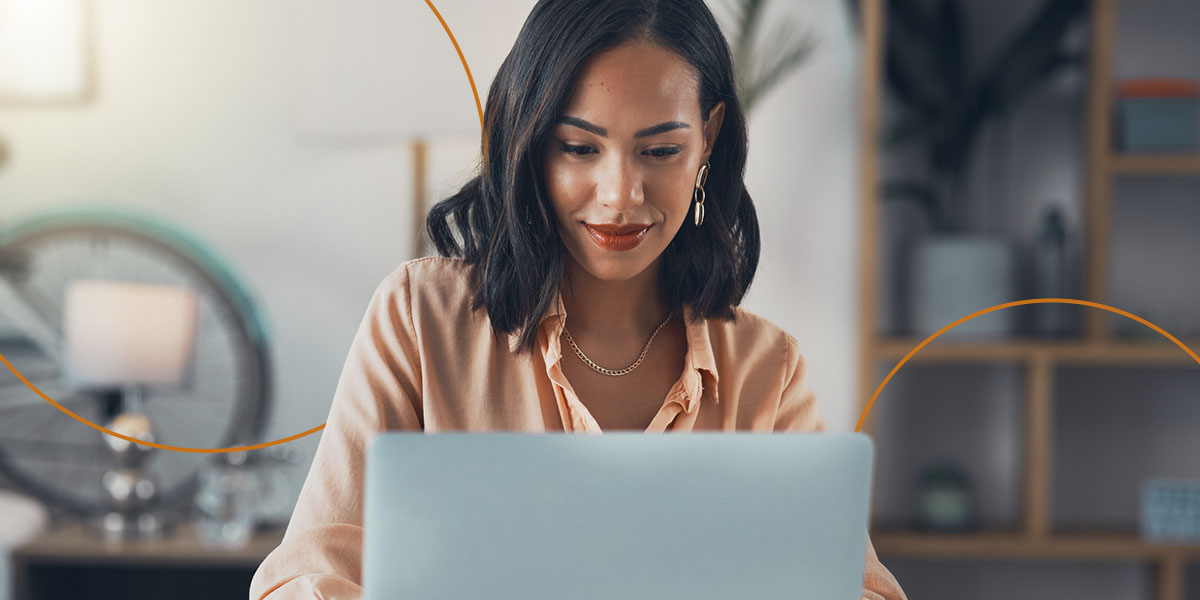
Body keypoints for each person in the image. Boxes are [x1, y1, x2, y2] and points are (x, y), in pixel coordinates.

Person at [250, 0, 907, 598]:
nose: (620, 194)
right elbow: (301, 580)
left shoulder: (765, 367)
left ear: (708, 138)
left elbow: (861, 587)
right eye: (578, 147)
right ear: (529, 145)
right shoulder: (419, 319)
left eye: (660, 149)